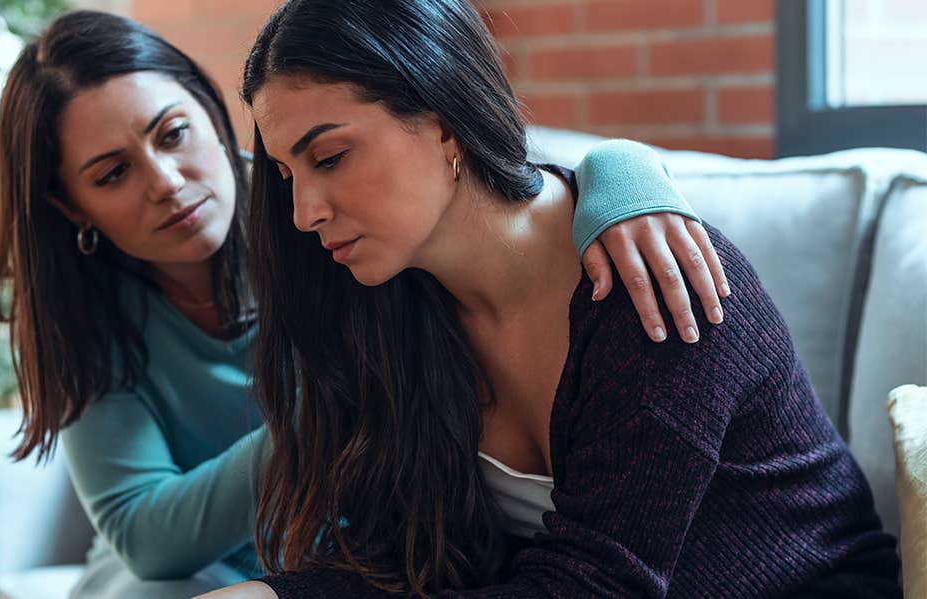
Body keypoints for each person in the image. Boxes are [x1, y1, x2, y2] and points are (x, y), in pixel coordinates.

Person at [0, 9, 734, 598]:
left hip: (345, 549)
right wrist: (333, 407)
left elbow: (490, 167)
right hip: (223, 567)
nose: (169, 182)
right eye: (113, 172)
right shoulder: (97, 312)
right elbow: (147, 540)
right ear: (70, 205)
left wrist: (626, 174)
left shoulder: (340, 215)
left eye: (174, 133)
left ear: (210, 112)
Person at [199, 0, 903, 597]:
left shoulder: (653, 284)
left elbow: (595, 582)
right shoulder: (395, 310)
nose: (304, 212)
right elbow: (415, 567)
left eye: (330, 157)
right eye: (289, 174)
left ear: (443, 117)